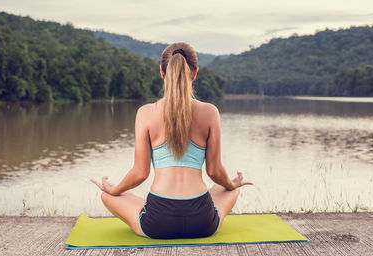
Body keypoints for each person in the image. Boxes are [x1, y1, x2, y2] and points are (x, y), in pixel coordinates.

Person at [91, 42, 253, 239]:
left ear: (162, 71)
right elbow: (214, 171)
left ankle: (132, 202)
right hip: (202, 221)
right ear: (195, 73)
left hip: (158, 222)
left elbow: (140, 173)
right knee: (230, 190)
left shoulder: (145, 113)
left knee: (107, 195)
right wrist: (232, 184)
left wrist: (115, 189)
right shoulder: (210, 112)